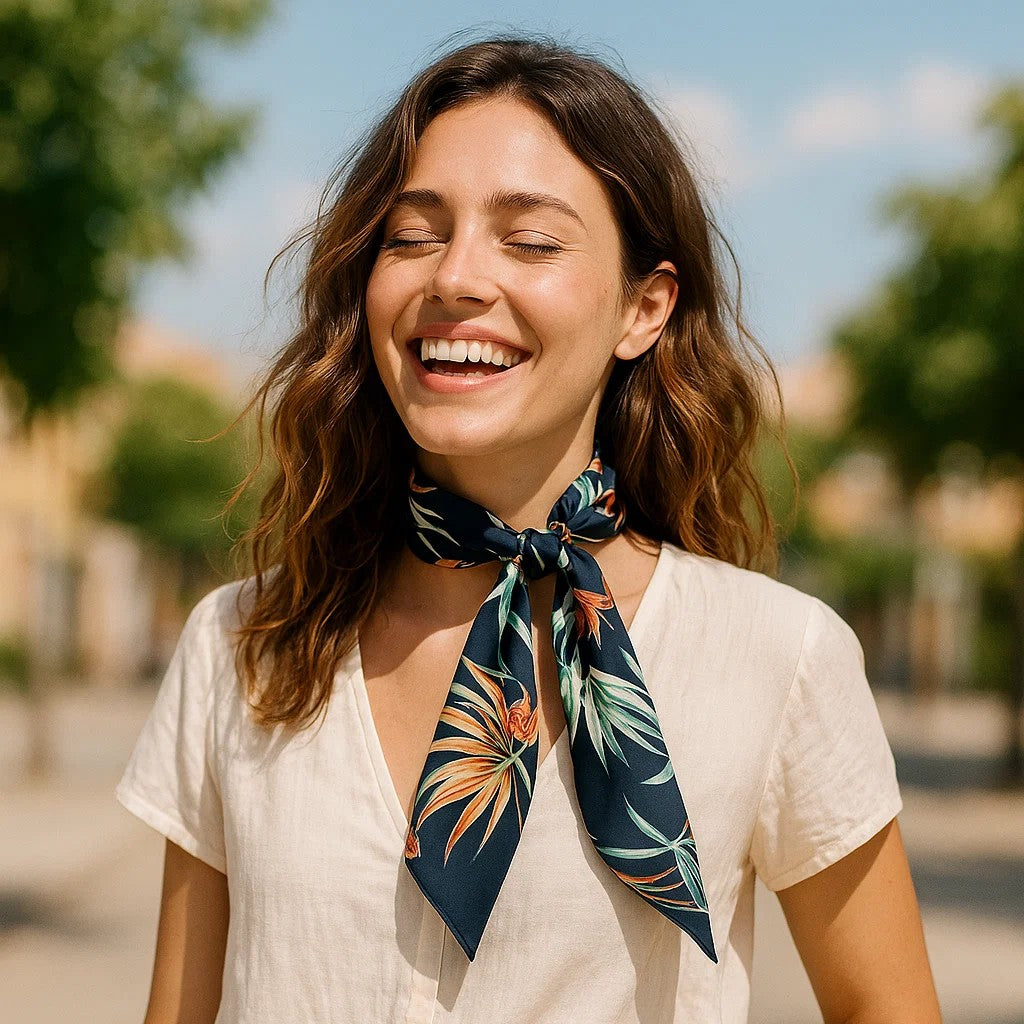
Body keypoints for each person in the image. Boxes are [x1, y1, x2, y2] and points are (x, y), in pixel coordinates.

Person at [115, 32, 943, 1024]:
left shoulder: (778, 655)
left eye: (531, 240)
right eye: (413, 234)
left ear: (645, 307)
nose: (455, 277)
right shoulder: (240, 645)